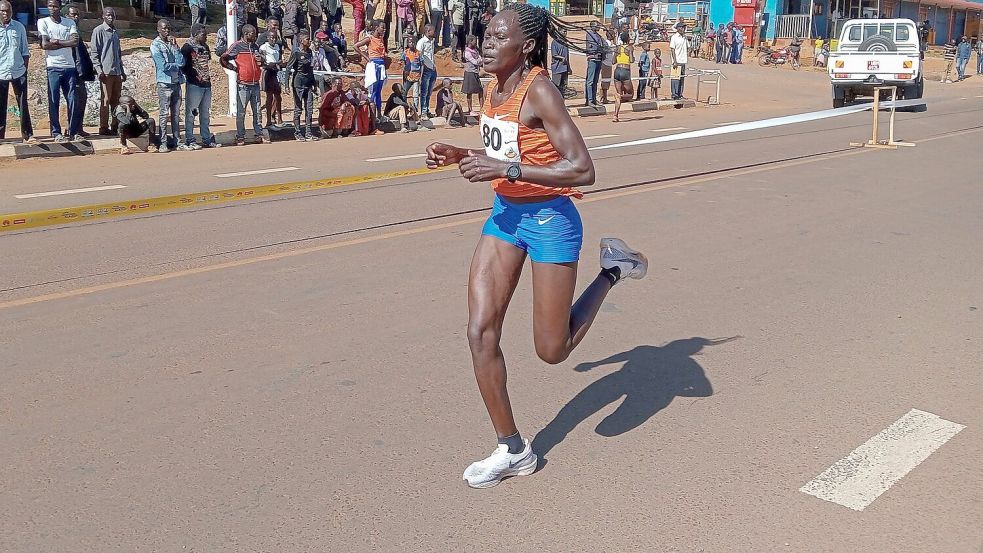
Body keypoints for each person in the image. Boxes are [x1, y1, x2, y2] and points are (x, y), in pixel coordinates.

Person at [426, 2, 648, 490]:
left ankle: (611, 269)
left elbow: (583, 169)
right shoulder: (493, 86)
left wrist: (506, 171)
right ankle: (512, 449)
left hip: (551, 221)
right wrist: (461, 154)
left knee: (552, 350)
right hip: (506, 216)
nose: (486, 42)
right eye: (485, 33)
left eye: (497, 36)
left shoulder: (540, 90)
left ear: (525, 46)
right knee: (480, 331)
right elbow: (509, 152)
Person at [38, 0, 80, 142]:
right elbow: (44, 44)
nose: (52, 8)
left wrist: (56, 42)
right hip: (53, 67)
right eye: (50, 6)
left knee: (73, 99)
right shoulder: (43, 22)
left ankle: (73, 132)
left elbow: (74, 42)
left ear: (60, 7)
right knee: (54, 100)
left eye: (55, 6)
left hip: (69, 67)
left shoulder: (69, 23)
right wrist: (64, 43)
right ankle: (56, 133)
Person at [221, 24, 267, 145]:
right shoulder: (237, 46)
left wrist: (261, 59)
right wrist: (233, 68)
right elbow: (223, 58)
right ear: (246, 34)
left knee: (257, 111)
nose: (255, 36)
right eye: (253, 34)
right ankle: (240, 135)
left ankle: (258, 133)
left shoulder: (255, 46)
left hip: (255, 84)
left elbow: (262, 62)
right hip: (243, 85)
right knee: (241, 112)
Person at [0, 0, 38, 144]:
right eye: (3, 11)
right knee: (0, 105)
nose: (6, 13)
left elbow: (25, 51)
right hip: (1, 72)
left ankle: (28, 135)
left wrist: (24, 71)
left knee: (23, 104)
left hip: (18, 71)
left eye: (8, 11)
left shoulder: (19, 27)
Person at [181, 24, 219, 149]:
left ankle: (206, 139)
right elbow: (184, 67)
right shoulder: (187, 48)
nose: (206, 37)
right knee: (191, 113)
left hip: (206, 84)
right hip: (194, 85)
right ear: (195, 34)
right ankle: (190, 139)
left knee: (205, 113)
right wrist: (194, 76)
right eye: (203, 34)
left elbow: (206, 63)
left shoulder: (205, 46)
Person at [151, 19, 186, 152]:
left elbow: (182, 61)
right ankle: (163, 142)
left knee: (176, 114)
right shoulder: (155, 45)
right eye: (164, 28)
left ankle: (177, 140)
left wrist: (176, 47)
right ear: (158, 29)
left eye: (168, 28)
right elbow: (163, 66)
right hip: (164, 83)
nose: (167, 31)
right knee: (164, 113)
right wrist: (177, 65)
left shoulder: (172, 43)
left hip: (176, 82)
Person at [91, 7, 126, 136]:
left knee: (117, 101)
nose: (110, 17)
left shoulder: (115, 31)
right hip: (106, 72)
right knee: (106, 100)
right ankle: (103, 127)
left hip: (116, 72)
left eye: (112, 15)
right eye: (108, 15)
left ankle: (115, 125)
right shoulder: (99, 31)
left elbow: (118, 53)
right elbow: (94, 53)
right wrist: (99, 70)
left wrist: (122, 71)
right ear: (103, 16)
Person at [67, 6, 94, 139]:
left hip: (80, 72)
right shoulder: (68, 32)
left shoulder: (76, 31)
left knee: (82, 99)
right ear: (67, 16)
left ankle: (79, 127)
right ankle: (73, 129)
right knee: (75, 100)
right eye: (73, 15)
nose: (76, 17)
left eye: (77, 15)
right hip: (73, 71)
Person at [284, 35, 317, 140]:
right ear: (301, 41)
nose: (309, 40)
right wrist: (286, 85)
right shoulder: (296, 52)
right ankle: (297, 132)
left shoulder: (310, 52)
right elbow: (289, 68)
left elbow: (311, 68)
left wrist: (314, 83)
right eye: (307, 39)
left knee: (310, 109)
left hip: (308, 83)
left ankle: (308, 132)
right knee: (298, 109)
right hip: (298, 82)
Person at [355, 20, 388, 115]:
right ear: (376, 27)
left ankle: (379, 114)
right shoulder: (369, 38)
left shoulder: (381, 39)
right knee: (373, 91)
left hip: (381, 66)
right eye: (382, 27)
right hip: (374, 66)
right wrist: (366, 57)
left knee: (378, 91)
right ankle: (371, 114)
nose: (384, 30)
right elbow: (356, 46)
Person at [259, 30, 284, 127]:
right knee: (269, 97)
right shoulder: (263, 48)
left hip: (276, 72)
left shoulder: (277, 47)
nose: (273, 39)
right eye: (271, 37)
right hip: (268, 72)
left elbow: (279, 59)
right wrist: (275, 63)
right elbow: (263, 63)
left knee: (278, 96)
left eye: (275, 37)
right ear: (268, 38)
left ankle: (279, 118)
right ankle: (268, 120)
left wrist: (280, 64)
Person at [611, 31, 633, 122]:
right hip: (625, 70)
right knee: (631, 94)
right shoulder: (630, 48)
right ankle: (621, 97)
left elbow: (613, 62)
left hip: (617, 70)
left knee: (619, 93)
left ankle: (615, 115)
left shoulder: (618, 48)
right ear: (628, 39)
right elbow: (631, 60)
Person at [416, 24, 437, 118]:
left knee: (429, 92)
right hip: (426, 70)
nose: (434, 32)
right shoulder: (421, 42)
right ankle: (423, 112)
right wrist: (424, 67)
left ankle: (427, 110)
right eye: (432, 31)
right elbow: (419, 56)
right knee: (424, 92)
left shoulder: (432, 41)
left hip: (432, 68)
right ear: (428, 31)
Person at [461, 34, 483, 114]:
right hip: (470, 73)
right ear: (470, 42)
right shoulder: (467, 52)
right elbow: (475, 62)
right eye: (474, 41)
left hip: (475, 73)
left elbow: (480, 60)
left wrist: (479, 60)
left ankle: (482, 108)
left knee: (480, 91)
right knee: (469, 92)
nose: (476, 42)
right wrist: (479, 60)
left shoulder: (476, 50)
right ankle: (470, 110)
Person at [584, 20, 603, 108]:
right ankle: (589, 100)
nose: (599, 27)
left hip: (599, 59)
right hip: (592, 59)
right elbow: (594, 46)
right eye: (597, 25)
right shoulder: (590, 35)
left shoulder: (598, 36)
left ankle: (594, 99)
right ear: (593, 26)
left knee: (595, 81)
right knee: (590, 81)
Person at [402, 33, 422, 108]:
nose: (412, 44)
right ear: (407, 43)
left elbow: (422, 65)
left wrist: (421, 75)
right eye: (410, 42)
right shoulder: (405, 53)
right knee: (404, 92)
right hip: (408, 76)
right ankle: (405, 107)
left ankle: (415, 109)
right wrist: (404, 75)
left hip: (416, 77)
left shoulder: (418, 53)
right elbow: (403, 64)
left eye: (413, 42)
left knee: (415, 94)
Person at [669, 22, 688, 100]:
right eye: (682, 27)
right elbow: (672, 49)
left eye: (684, 28)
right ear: (678, 28)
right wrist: (675, 61)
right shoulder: (674, 37)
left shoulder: (684, 37)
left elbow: (688, 46)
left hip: (683, 60)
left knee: (682, 78)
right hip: (676, 61)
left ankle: (680, 94)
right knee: (675, 79)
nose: (684, 29)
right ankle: (674, 94)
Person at [550, 28, 569, 96]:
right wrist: (562, 58)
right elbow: (554, 54)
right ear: (559, 32)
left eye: (566, 31)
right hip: (557, 68)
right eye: (564, 31)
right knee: (556, 87)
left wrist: (568, 67)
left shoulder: (565, 42)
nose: (565, 33)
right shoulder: (555, 42)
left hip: (564, 68)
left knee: (563, 87)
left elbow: (567, 56)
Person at [600, 28, 615, 104]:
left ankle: (603, 97)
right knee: (605, 80)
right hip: (606, 63)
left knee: (607, 80)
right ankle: (604, 98)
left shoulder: (611, 44)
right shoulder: (607, 44)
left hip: (608, 63)